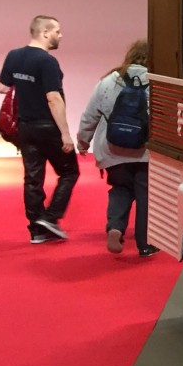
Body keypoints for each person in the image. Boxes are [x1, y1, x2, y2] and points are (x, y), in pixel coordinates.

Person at [0, 15, 80, 244]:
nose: (60, 35)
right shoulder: (47, 61)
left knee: (33, 178)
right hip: (47, 127)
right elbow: (53, 98)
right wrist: (65, 133)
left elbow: (2, 87)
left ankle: (36, 231)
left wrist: (24, 85)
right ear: (45, 33)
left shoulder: (14, 55)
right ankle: (51, 217)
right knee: (69, 171)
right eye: (57, 31)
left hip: (25, 126)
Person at [76, 39, 158, 257]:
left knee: (120, 189)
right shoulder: (158, 81)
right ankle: (145, 244)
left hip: (113, 149)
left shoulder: (109, 81)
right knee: (145, 196)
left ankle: (115, 227)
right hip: (145, 152)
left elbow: (90, 116)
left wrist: (82, 142)